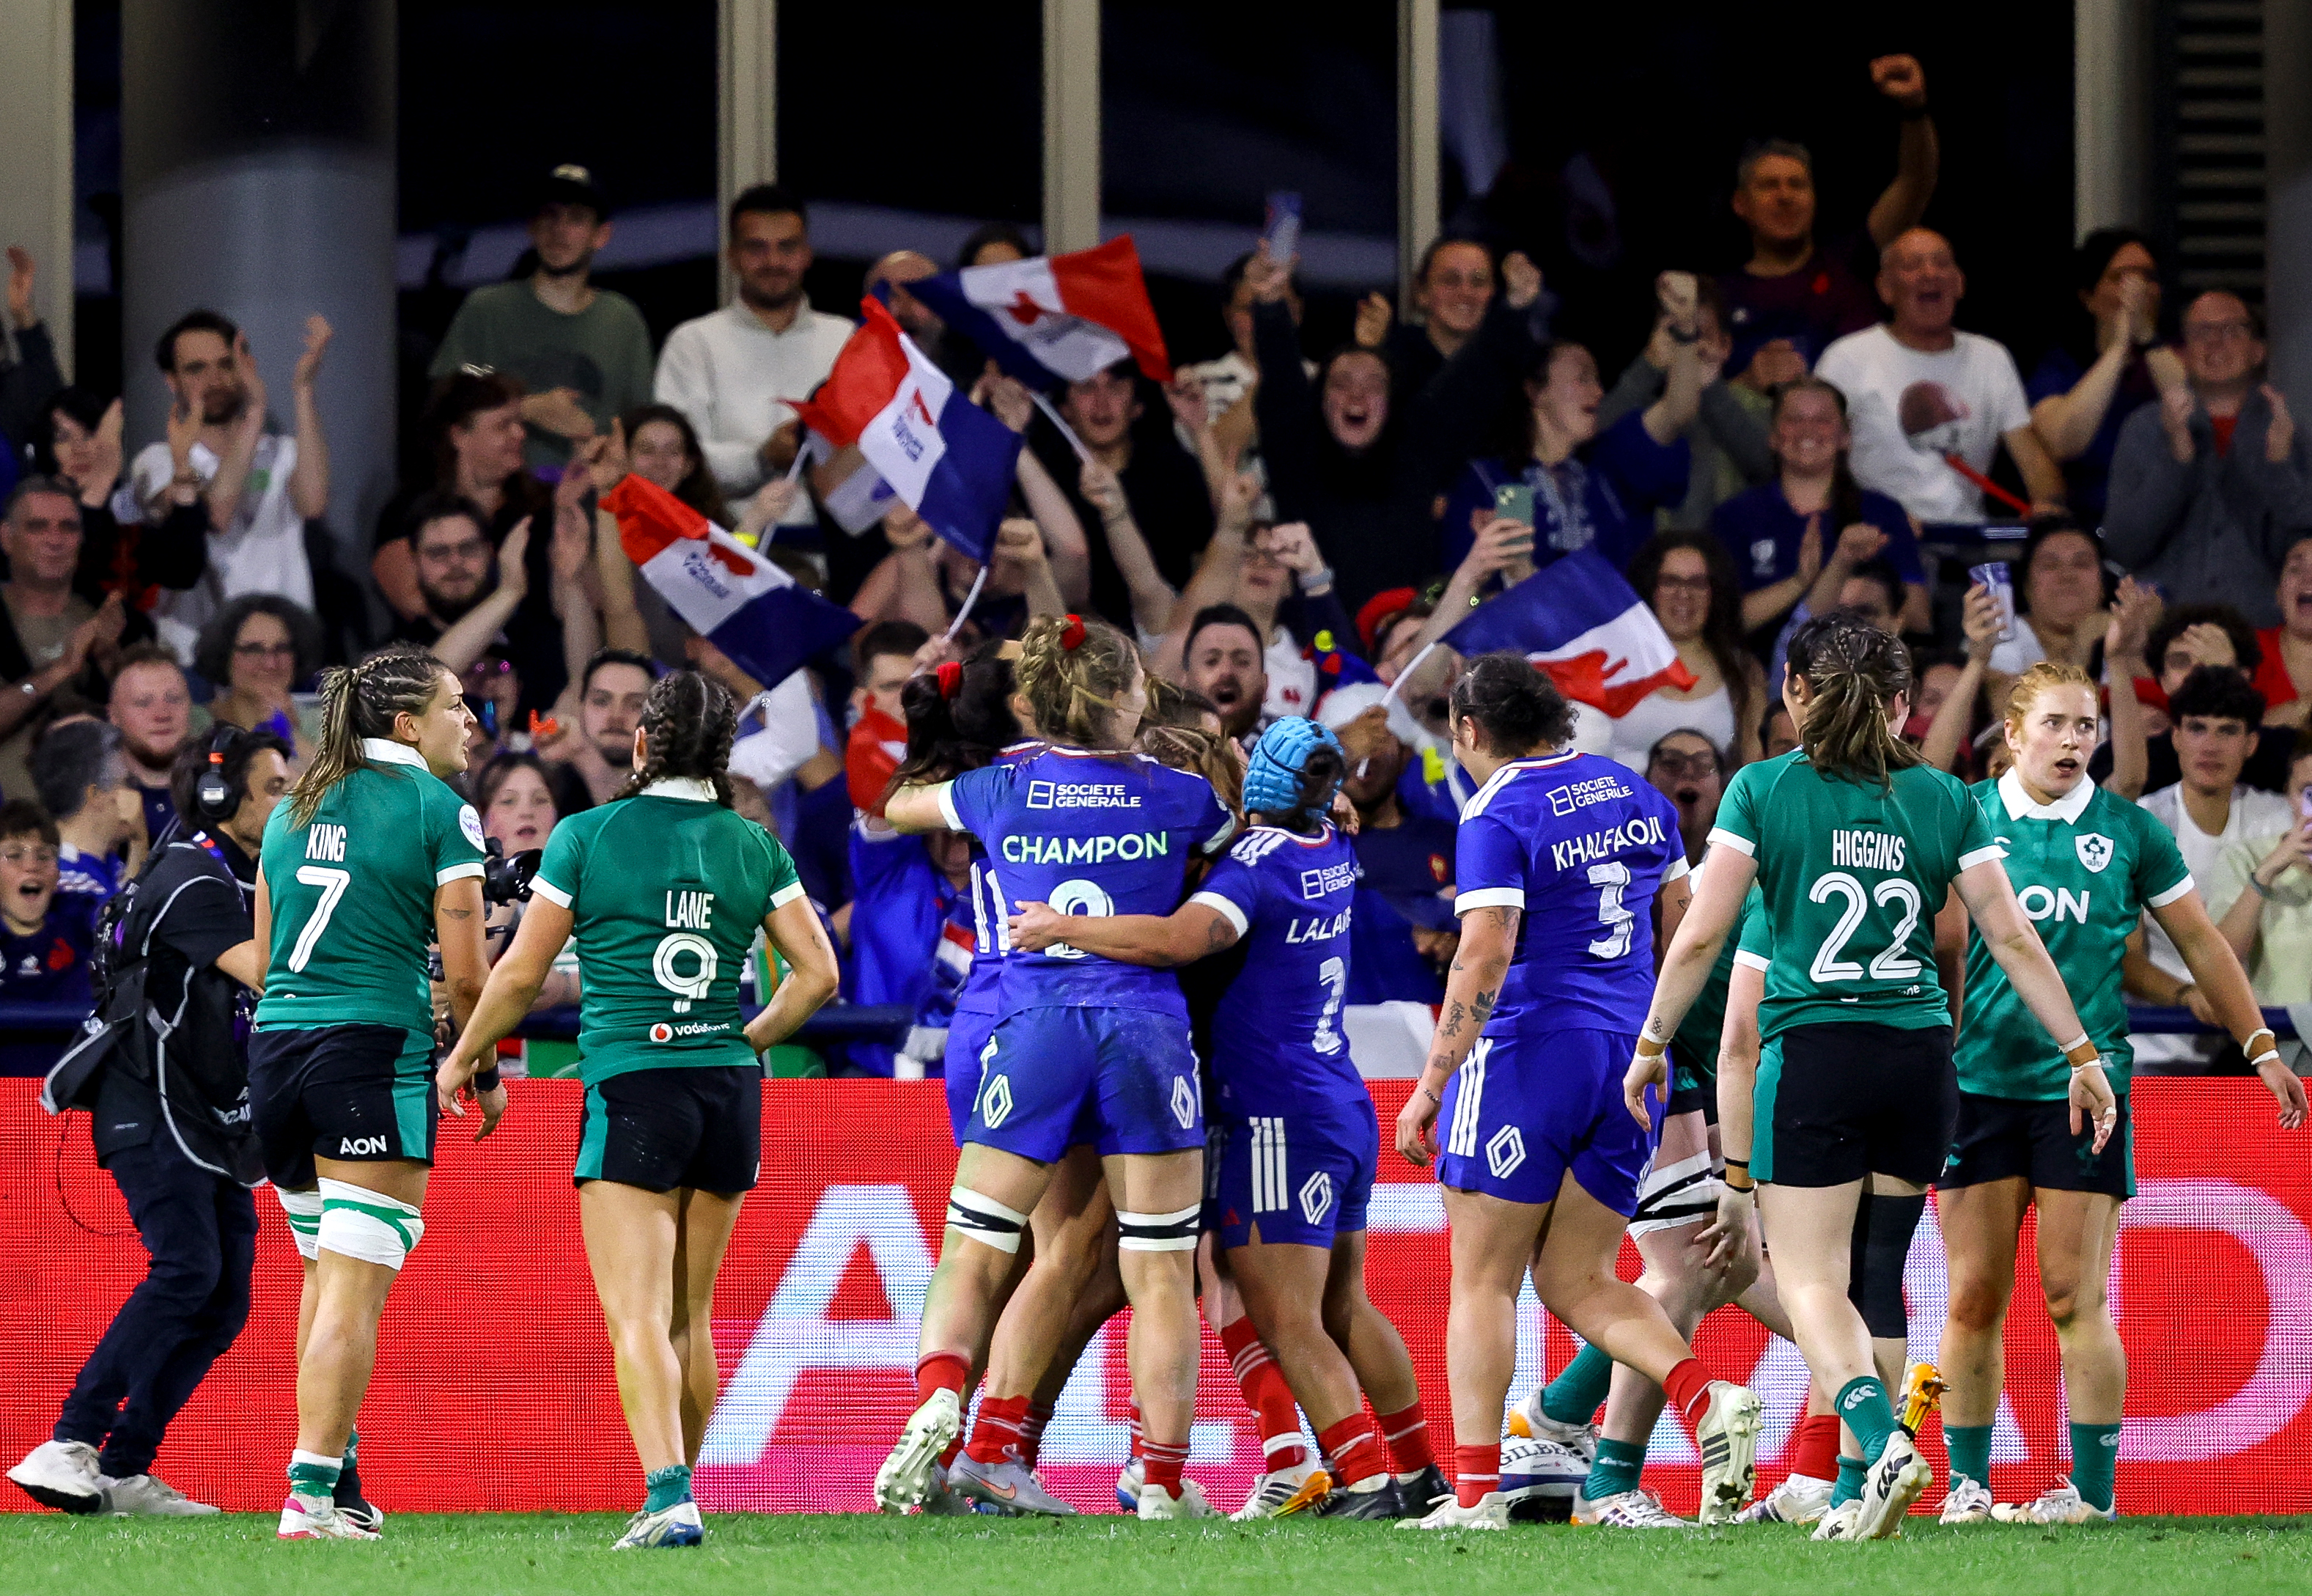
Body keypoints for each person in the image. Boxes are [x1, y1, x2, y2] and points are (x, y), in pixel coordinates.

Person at [1630, 613, 2107, 1541]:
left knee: (1810, 1279)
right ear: (1901, 703)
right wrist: (2082, 1056)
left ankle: (1880, 1442)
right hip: (1922, 1055)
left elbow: (1698, 934)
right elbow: (2008, 936)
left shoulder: (1762, 788)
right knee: (1879, 1273)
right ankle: (1854, 1494)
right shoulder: (1945, 795)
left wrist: (1651, 1041)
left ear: (1796, 694)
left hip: (1816, 1051)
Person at [438, 671, 837, 1548]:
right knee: (691, 1316)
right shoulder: (751, 844)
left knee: (637, 1316)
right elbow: (821, 976)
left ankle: (667, 1497)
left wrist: (464, 1055)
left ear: (644, 744)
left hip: (634, 1083)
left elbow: (515, 975)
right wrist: (750, 1039)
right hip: (727, 1086)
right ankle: (680, 1492)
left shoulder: (588, 833)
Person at [1007, 718, 1437, 1520]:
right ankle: (1416, 1474)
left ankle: (1365, 1477)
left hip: (1272, 1113)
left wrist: (1061, 923)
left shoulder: (1253, 867)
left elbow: (1175, 939)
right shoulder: (1331, 845)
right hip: (1336, 1099)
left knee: (1280, 1312)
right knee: (1338, 1301)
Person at [875, 614, 1237, 1520]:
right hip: (1148, 1029)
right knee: (1157, 1270)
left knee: (978, 1245)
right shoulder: (1181, 792)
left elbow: (892, 809)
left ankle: (940, 1398)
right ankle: (1157, 1479)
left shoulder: (998, 787)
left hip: (1026, 1023)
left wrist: (938, 731)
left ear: (1034, 701)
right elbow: (1248, 826)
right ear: (1128, 694)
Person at [1392, 652, 1761, 1531]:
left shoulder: (1494, 809)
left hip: (1530, 1050)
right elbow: (1681, 929)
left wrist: (1433, 1079)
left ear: (1470, 733)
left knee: (1481, 1280)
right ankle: (1708, 1404)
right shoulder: (1638, 795)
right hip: (1631, 1059)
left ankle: (1477, 1497)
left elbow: (1484, 951)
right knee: (1576, 1275)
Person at [1934, 662, 2305, 1527]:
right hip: (1975, 1087)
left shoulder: (2130, 831)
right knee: (1971, 1295)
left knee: (2071, 1293)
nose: (2073, 741)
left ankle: (2091, 1497)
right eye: (2056, 725)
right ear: (2013, 733)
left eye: (2086, 726)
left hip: (2084, 1090)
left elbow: (2204, 944)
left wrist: (2258, 1046)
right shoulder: (1965, 817)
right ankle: (1967, 1485)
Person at [247, 647, 498, 1541]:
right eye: (456, 706)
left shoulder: (290, 808)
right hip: (371, 1053)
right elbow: (469, 980)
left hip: (277, 1051)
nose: (469, 722)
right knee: (352, 1288)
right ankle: (309, 1497)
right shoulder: (441, 809)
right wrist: (486, 1066)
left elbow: (271, 952)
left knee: (322, 1274)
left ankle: (337, 1482)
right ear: (406, 725)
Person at [9, 727, 290, 1517]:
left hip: (206, 1112)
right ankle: (69, 1439)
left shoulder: (231, 872)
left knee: (225, 1294)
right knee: (188, 1269)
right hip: (149, 1102)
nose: (287, 801)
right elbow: (271, 974)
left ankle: (125, 1466)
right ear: (215, 795)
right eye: (272, 787)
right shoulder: (193, 877)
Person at [1254, 244, 1546, 608]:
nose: (1357, 397)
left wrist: (1515, 306)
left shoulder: (1416, 453)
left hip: (1404, 648)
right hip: (1316, 651)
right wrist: (1268, 306)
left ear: (1393, 405)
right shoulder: (1297, 458)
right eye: (1342, 383)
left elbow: (1476, 376)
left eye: (1374, 385)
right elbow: (1282, 383)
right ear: (1320, 402)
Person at [1439, 286, 1708, 575]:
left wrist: (1686, 327)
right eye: (1583, 378)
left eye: (1598, 380)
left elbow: (1677, 410)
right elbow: (1465, 599)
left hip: (1615, 620)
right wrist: (1482, 594)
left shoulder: (1613, 461)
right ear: (1536, 392)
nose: (1598, 392)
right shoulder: (1485, 483)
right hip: (1524, 622)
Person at [1814, 230, 2066, 526]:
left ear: (1960, 283)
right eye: (1912, 265)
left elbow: (2033, 463)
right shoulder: (1846, 358)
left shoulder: (1991, 357)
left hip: (1968, 541)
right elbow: (1816, 467)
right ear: (1885, 289)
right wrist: (1876, 518)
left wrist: (2049, 508)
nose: (1930, 273)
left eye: (1941, 263)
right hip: (1876, 540)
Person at [1718, 54, 1939, 378]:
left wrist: (1914, 108)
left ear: (1814, 199)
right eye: (1769, 186)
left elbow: (1914, 182)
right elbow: (1693, 411)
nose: (1785, 196)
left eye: (1797, 185)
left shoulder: (1853, 261)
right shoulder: (1718, 297)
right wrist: (1747, 384)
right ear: (1740, 204)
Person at [128, 309, 331, 653]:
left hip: (283, 650)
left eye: (226, 364)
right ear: (171, 381)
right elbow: (216, 516)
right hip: (198, 653)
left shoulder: (282, 450)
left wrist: (303, 389)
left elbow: (313, 504)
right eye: (196, 368)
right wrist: (254, 415)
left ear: (245, 367)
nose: (215, 379)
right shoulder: (160, 461)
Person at [429, 165, 655, 472]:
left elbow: (641, 425)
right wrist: (527, 408)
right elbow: (446, 398)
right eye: (549, 215)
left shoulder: (622, 320)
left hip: (595, 498)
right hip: (504, 498)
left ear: (601, 235)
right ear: (532, 226)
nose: (559, 229)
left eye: (576, 218)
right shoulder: (488, 308)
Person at [2105, 292, 2312, 624]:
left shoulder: (2286, 430)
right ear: (2183, 354)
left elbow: (2297, 552)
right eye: (2201, 332)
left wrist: (2278, 467)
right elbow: (2124, 545)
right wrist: (2177, 458)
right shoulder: (2145, 427)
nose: (2215, 343)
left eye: (2232, 331)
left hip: (2262, 630)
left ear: (2258, 350)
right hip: (2165, 633)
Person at [2129, 667, 2294, 1074]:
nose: (2210, 745)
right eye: (2198, 728)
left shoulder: (2278, 820)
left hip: (2263, 1050)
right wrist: (2188, 995)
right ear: (2176, 738)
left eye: (2227, 731)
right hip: (2157, 1049)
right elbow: (2123, 957)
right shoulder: (2138, 825)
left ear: (2251, 743)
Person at [655, 185, 853, 515]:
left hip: (833, 556)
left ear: (807, 255)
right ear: (731, 256)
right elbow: (670, 463)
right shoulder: (692, 342)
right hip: (726, 550)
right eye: (756, 248)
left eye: (787, 248)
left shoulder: (847, 340)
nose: (773, 261)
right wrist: (760, 458)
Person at [1710, 377, 1927, 639]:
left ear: (1845, 436)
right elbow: (1720, 624)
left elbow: (1919, 619)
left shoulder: (1882, 513)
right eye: (1794, 419)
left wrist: (1867, 595)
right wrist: (1799, 582)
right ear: (1773, 436)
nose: (1807, 430)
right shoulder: (1734, 517)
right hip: (1758, 671)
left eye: (1822, 420)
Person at [2026, 230, 2188, 524]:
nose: (2137, 289)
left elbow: (2198, 416)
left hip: (2169, 524)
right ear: (2088, 297)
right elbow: (2063, 441)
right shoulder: (2060, 367)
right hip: (2088, 527)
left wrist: (2146, 337)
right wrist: (2119, 348)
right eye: (2121, 278)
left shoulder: (2176, 356)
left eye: (2147, 277)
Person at [1319, 685, 1459, 1005]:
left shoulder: (1448, 840)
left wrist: (1455, 940)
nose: (1362, 758)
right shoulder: (1303, 843)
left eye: (1378, 741)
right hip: (1330, 1038)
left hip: (1427, 1038)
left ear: (1406, 752)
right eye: (1349, 745)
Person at [1597, 280, 1772, 534]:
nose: (1689, 345)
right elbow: (1592, 443)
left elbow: (1766, 467)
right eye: (1677, 333)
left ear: (1725, 346)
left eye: (1699, 335)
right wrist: (1649, 365)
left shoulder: (1754, 405)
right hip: (1649, 556)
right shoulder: (1639, 406)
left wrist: (1712, 389)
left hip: (1732, 557)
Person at [40, 386, 210, 630]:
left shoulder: (123, 509)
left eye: (90, 435)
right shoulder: (30, 507)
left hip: (127, 654)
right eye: (63, 438)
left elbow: (182, 572)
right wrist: (100, 484)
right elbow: (57, 574)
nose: (80, 449)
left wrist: (182, 471)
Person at [1, 478, 124, 799]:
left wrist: (111, 660)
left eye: (68, 528)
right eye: (38, 527)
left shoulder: (111, 617)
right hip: (16, 824)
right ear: (6, 538)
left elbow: (148, 722)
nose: (55, 539)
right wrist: (60, 669)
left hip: (101, 817)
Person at [1605, 533, 1765, 773]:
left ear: (1715, 593)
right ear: (1650, 589)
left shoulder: (1743, 669)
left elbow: (1757, 767)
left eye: (1697, 583)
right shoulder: (1607, 662)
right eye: (1670, 581)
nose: (1684, 594)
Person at [2209, 732, 2312, 1016]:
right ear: (2289, 796)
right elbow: (2220, 967)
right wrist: (2265, 874)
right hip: (2279, 1040)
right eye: (2309, 792)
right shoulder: (2245, 858)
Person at [192, 594, 325, 765]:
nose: (270, 663)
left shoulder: (324, 722)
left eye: (282, 649)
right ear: (224, 655)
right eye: (253, 650)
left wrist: (290, 733)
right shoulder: (194, 723)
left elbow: (340, 786)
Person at [32, 718, 145, 905]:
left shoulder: (110, 863)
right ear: (95, 794)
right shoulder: (60, 881)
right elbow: (122, 930)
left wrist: (138, 845)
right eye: (127, 783)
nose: (136, 797)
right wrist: (140, 838)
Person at [0, 798, 95, 1014]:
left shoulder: (82, 924)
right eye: (15, 855)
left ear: (58, 875)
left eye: (44, 856)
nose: (32, 866)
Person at [548, 648, 660, 807]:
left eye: (636, 704)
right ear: (581, 707)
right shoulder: (547, 782)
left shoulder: (681, 788)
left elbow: (629, 828)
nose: (616, 716)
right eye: (601, 701)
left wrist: (585, 756)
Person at [108, 644, 194, 843]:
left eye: (174, 699)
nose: (162, 714)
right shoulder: (94, 803)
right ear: (113, 714)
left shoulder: (224, 784)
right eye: (143, 702)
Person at [1648, 729, 1723, 867]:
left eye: (1703, 764)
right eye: (1671, 763)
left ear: (1721, 792)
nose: (1688, 772)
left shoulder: (1739, 861)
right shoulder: (1621, 857)